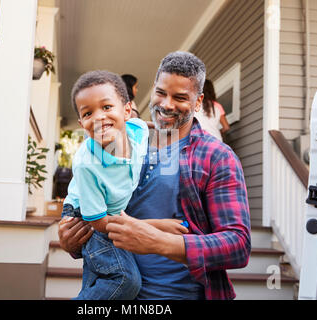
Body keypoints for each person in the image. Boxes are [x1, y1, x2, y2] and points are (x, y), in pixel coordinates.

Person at [59, 52, 251, 300]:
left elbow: (238, 246)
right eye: (161, 93)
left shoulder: (216, 157)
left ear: (198, 102)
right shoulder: (116, 142)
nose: (167, 104)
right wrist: (71, 241)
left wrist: (158, 241)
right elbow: (93, 214)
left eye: (180, 97)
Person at [61, 70, 189, 300]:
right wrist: (156, 226)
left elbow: (151, 127)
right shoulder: (87, 164)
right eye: (88, 113)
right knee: (124, 280)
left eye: (107, 107)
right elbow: (97, 223)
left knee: (99, 281)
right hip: (88, 214)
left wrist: (174, 130)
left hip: (110, 212)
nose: (99, 117)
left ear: (127, 110)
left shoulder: (138, 130)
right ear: (81, 123)